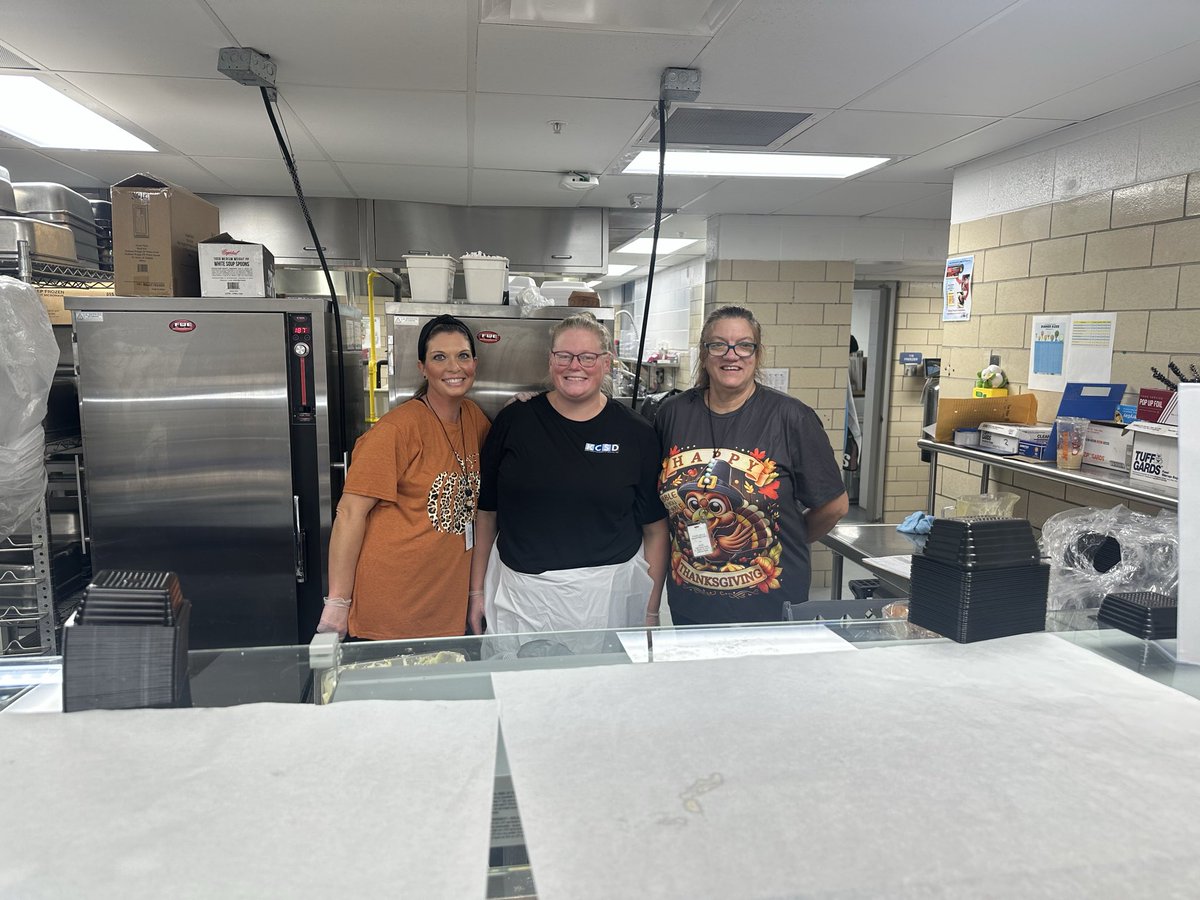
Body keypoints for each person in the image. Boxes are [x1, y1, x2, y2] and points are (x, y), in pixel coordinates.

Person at [468, 312, 668, 637]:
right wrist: (477, 592)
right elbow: (486, 514)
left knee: (602, 688)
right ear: (550, 361)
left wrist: (650, 610)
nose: (575, 366)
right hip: (521, 599)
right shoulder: (515, 422)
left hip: (606, 601)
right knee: (526, 687)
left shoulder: (636, 433)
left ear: (606, 363)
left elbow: (655, 531)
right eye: (564, 356)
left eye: (588, 357)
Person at [654, 305, 849, 625]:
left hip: (769, 603)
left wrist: (784, 536)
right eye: (718, 344)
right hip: (691, 601)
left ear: (758, 354)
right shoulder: (673, 413)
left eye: (744, 345)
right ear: (704, 354)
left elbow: (835, 506)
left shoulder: (791, 417)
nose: (732, 355)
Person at [317, 314, 489, 640]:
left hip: (443, 607)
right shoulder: (397, 429)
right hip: (391, 609)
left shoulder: (474, 418)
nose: (454, 367)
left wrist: (526, 405)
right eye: (440, 357)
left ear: (474, 363)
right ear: (423, 367)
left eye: (462, 355)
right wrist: (338, 601)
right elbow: (350, 512)